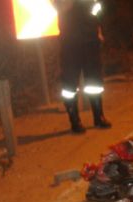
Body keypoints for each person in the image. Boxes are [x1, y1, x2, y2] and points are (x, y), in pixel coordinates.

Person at [54, 0, 111, 133]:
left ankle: (99, 117)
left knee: (95, 82)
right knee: (70, 83)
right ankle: (75, 121)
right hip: (70, 42)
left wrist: (99, 31)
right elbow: (60, 6)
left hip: (91, 40)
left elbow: (96, 11)